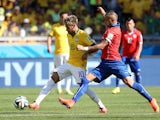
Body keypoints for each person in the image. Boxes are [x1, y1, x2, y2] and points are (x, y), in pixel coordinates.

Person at [58, 7, 160, 113]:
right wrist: (103, 13)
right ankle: (72, 101)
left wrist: (85, 48)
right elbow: (110, 17)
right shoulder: (114, 24)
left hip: (115, 62)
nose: (104, 21)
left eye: (105, 19)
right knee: (85, 80)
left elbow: (102, 46)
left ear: (110, 21)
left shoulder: (113, 31)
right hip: (105, 64)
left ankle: (152, 100)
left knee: (130, 83)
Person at [29, 15, 107, 113]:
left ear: (74, 25)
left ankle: (101, 106)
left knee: (84, 87)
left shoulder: (83, 35)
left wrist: (86, 52)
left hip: (79, 66)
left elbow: (95, 47)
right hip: (69, 63)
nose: (66, 29)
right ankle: (37, 103)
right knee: (53, 77)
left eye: (67, 27)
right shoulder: (69, 34)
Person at [112, 17, 143, 94]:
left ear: (134, 24)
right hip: (124, 56)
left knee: (137, 72)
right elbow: (119, 44)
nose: (129, 25)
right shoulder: (123, 33)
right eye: (127, 24)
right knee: (119, 71)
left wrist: (138, 54)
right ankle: (117, 87)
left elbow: (140, 45)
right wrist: (117, 53)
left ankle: (139, 87)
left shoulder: (138, 33)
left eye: (130, 23)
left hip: (133, 56)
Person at [47, 11, 73, 95]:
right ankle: (59, 88)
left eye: (66, 17)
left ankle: (67, 89)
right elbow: (50, 37)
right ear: (60, 17)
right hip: (58, 52)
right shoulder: (55, 27)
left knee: (69, 70)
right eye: (62, 17)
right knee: (58, 71)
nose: (64, 19)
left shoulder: (70, 27)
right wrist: (49, 46)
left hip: (68, 52)